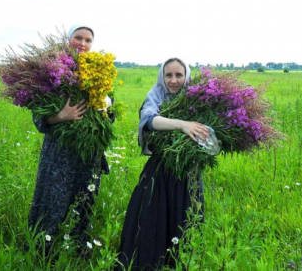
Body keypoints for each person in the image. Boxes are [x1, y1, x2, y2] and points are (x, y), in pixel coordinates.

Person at [117, 58, 211, 270]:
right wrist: (182, 125)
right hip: (158, 172)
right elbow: (149, 121)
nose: (174, 80)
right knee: (152, 219)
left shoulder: (199, 99)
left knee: (184, 218)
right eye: (169, 75)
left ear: (187, 76)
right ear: (162, 76)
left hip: (188, 170)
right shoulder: (156, 96)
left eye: (179, 75)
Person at [28, 24, 109, 255]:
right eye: (78, 38)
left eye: (88, 40)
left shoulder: (99, 70)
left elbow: (108, 116)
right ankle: (43, 250)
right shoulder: (53, 70)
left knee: (84, 199)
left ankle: (77, 248)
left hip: (89, 152)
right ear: (68, 39)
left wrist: (105, 108)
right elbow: (39, 117)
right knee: (54, 198)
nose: (82, 44)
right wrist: (61, 116)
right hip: (59, 152)